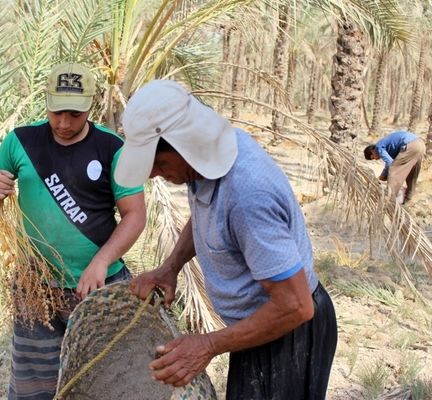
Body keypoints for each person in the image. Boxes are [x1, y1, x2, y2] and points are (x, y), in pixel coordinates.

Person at [114, 80, 337, 400]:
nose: (155, 175)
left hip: (288, 332)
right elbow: (207, 214)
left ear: (185, 145)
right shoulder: (204, 163)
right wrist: (170, 267)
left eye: (160, 164)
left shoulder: (248, 195)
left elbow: (296, 306)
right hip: (259, 326)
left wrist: (207, 344)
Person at [0, 62, 146, 400]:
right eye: (56, 113)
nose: (64, 123)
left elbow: (135, 216)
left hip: (99, 287)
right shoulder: (21, 141)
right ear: (46, 102)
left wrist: (101, 262)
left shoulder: (113, 148)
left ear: (90, 106)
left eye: (74, 114)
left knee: (105, 381)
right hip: (36, 291)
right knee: (34, 387)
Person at [363, 130, 426, 204]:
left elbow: (391, 164)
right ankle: (408, 199)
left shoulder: (379, 147)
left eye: (373, 157)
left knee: (394, 171)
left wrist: (383, 176)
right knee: (412, 173)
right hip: (420, 144)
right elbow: (389, 164)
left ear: (372, 151)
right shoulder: (388, 147)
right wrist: (382, 176)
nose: (376, 159)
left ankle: (390, 200)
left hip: (410, 145)